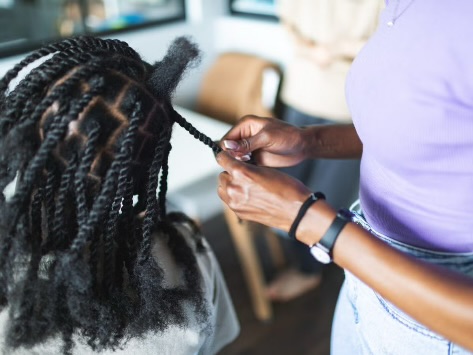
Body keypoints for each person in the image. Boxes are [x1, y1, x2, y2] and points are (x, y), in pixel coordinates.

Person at [216, 0, 473, 353]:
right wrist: (308, 140)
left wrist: (310, 222)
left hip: (437, 310)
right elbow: (425, 126)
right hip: (363, 274)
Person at [0, 35, 239, 354]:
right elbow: (216, 340)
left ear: (23, 141)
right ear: (147, 167)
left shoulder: (10, 272)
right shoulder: (187, 258)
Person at [265, 0, 383, 301]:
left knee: (326, 196)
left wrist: (328, 49)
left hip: (345, 103)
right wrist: (317, 51)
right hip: (301, 93)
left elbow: (393, 40)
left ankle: (309, 271)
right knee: (289, 185)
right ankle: (303, 263)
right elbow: (287, 20)